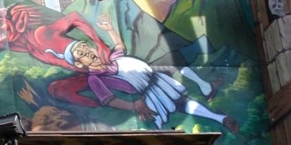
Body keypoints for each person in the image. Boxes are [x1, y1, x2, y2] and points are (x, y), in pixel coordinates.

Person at [57, 16, 237, 133]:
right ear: (79, 63)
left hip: (156, 78)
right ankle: (216, 112)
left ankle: (210, 96)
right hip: (148, 92)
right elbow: (109, 100)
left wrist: (110, 29)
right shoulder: (95, 77)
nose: (87, 52)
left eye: (85, 48)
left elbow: (120, 46)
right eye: (80, 54)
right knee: (170, 112)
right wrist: (134, 106)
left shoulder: (111, 60)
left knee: (175, 71)